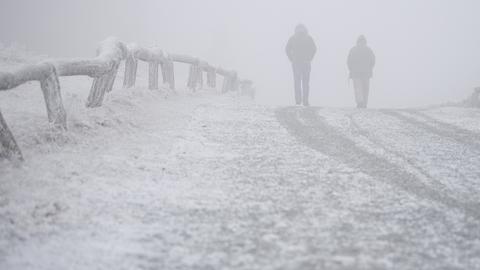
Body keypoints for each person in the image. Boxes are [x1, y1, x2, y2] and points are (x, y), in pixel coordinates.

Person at [285, 24, 317, 106]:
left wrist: (291, 58)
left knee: (297, 82)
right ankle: (305, 101)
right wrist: (310, 58)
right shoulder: (308, 38)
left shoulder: (293, 38)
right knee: (306, 83)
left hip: (296, 63)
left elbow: (287, 49)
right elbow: (314, 49)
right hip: (306, 63)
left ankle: (298, 101)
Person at [347, 35, 375, 108]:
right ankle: (365, 103)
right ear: (365, 41)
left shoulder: (353, 50)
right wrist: (370, 68)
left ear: (357, 41)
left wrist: (351, 69)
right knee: (365, 89)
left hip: (355, 73)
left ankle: (360, 102)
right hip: (366, 73)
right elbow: (373, 61)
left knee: (358, 88)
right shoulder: (369, 50)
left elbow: (349, 61)